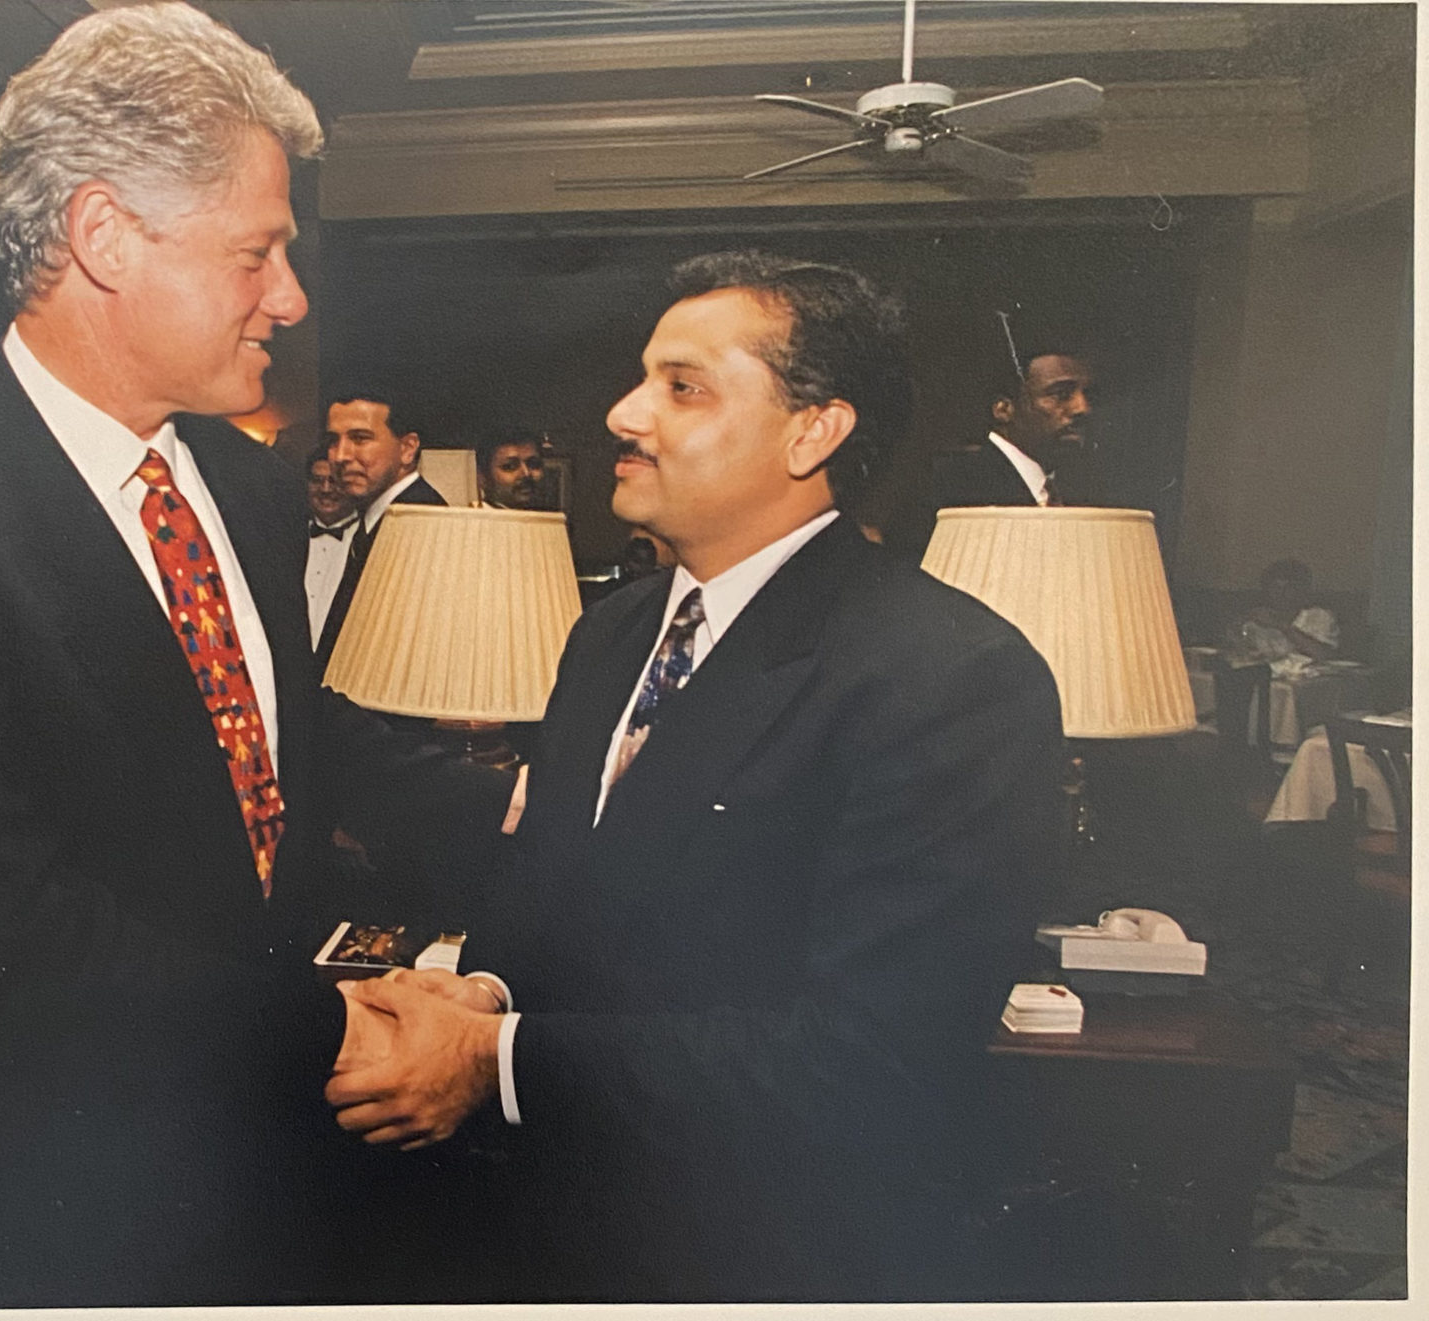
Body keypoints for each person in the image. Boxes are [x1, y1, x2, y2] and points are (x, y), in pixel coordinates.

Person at [0, 5, 507, 1307]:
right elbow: (7, 939)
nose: (291, 297)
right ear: (103, 235)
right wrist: (352, 1028)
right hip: (35, 1217)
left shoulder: (243, 487)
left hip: (258, 1169)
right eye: (257, 252)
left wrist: (523, 801)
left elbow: (278, 731)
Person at [325, 251, 1068, 1302]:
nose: (623, 414)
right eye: (641, 378)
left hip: (757, 1257)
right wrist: (477, 993)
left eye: (682, 387)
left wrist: (494, 1058)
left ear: (813, 432)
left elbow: (870, 1060)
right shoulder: (610, 632)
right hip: (546, 1230)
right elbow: (551, 900)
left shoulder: (949, 675)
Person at [314, 390, 445, 666]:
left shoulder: (424, 523)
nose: (340, 455)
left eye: (360, 439)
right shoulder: (378, 518)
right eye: (333, 441)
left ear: (407, 449)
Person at [933, 348, 1098, 508]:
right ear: (1003, 409)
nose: (1082, 408)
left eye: (1088, 394)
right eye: (1061, 394)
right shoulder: (958, 485)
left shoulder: (1075, 484)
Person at [1236, 557, 1340, 672]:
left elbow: (1325, 656)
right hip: (1271, 678)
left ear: (1302, 591)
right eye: (1275, 587)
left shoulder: (1319, 616)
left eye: (1289, 587)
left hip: (1313, 679)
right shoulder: (1258, 619)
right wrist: (1238, 627)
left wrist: (1282, 626)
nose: (1281, 593)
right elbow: (1243, 655)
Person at [302, 442, 357, 647]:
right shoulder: (288, 537)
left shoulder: (369, 541)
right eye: (317, 481)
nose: (325, 489)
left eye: (335, 481)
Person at [476, 427, 549, 510]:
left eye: (534, 464)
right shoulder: (473, 517)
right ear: (482, 477)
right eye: (510, 466)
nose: (526, 473)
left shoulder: (552, 516)